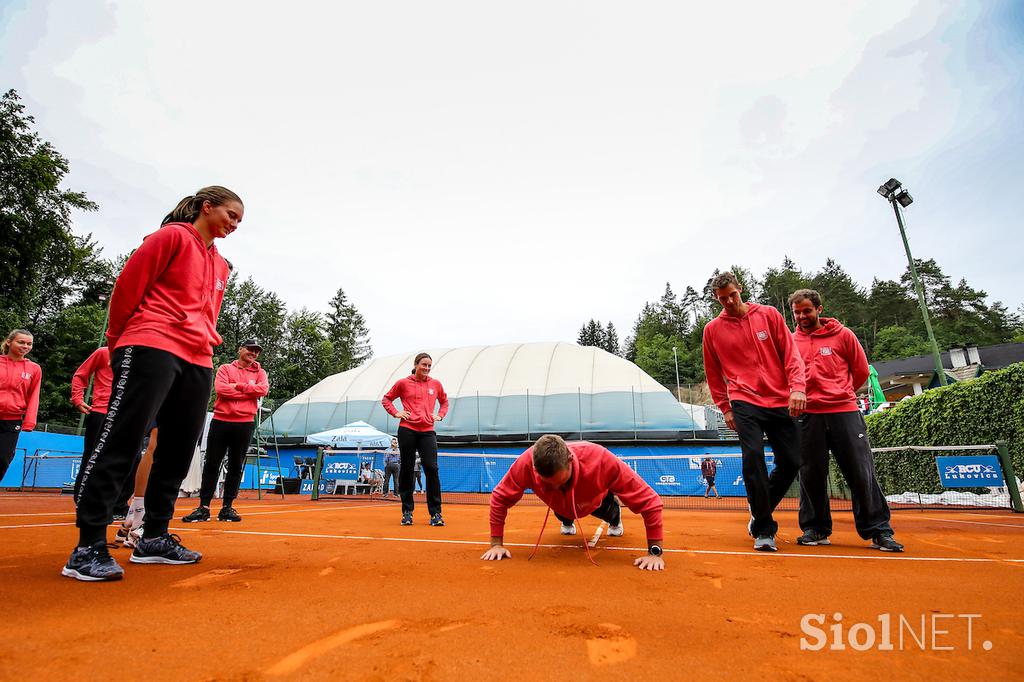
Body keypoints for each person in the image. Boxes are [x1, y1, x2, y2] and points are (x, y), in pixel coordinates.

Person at [63, 186, 242, 582]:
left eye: (239, 221)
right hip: (150, 342)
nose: (234, 224)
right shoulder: (172, 237)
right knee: (124, 440)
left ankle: (154, 537)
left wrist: (207, 336)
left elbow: (206, 312)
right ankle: (88, 544)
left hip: (198, 357)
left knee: (178, 449)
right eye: (230, 215)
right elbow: (127, 288)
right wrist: (117, 343)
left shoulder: (222, 265)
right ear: (206, 206)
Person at [789, 289, 904, 552]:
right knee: (810, 474)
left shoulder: (843, 335)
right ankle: (815, 528)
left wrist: (840, 393)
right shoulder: (790, 341)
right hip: (807, 416)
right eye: (797, 313)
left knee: (861, 472)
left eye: (806, 311)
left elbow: (861, 371)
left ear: (819, 309)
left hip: (844, 411)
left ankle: (878, 530)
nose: (802, 316)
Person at [702, 271, 806, 552]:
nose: (729, 302)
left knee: (793, 460)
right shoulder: (712, 330)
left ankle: (759, 506)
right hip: (743, 400)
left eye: (733, 295)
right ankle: (763, 529)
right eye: (723, 299)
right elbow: (713, 374)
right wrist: (725, 408)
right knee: (753, 457)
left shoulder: (770, 315)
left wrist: (797, 387)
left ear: (741, 289)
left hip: (780, 398)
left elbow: (790, 354)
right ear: (716, 299)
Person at [481, 435, 665, 571]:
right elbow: (499, 497)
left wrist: (655, 552)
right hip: (560, 506)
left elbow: (651, 502)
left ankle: (615, 519)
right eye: (548, 483)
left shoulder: (600, 458)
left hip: (595, 501)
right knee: (562, 509)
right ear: (534, 468)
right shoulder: (526, 463)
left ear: (570, 460)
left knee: (609, 512)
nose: (556, 486)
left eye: (561, 482)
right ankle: (566, 519)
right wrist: (496, 544)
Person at [182, 339, 268, 524]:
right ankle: (203, 507)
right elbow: (221, 390)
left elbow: (263, 390)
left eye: (257, 352)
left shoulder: (260, 372)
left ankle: (227, 507)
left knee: (236, 466)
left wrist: (238, 386)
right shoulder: (225, 369)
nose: (253, 353)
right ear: (240, 349)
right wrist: (249, 391)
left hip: (245, 423)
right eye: (250, 349)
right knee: (212, 464)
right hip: (221, 421)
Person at [382, 352, 449, 527]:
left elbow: (444, 402)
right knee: (406, 469)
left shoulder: (436, 384)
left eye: (429, 365)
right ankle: (407, 512)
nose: (426, 368)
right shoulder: (403, 383)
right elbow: (386, 399)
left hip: (427, 431)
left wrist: (440, 416)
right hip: (407, 430)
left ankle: (435, 514)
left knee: (432, 469)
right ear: (416, 364)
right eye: (423, 365)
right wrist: (396, 413)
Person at [0, 329, 40, 481]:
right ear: (9, 342)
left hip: (12, 421)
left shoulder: (34, 369)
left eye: (29, 344)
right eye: (21, 342)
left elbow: (34, 395)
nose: (25, 346)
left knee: (3, 459)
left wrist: (29, 421)